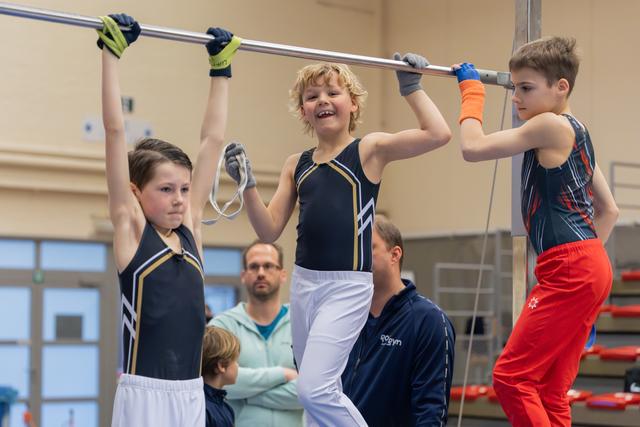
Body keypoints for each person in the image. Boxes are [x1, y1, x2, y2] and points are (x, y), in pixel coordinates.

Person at [223, 53, 451, 425]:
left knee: (314, 389)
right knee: (315, 396)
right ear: (303, 110)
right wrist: (247, 186)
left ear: (353, 103)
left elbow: (438, 134)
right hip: (304, 284)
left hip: (347, 286)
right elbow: (268, 229)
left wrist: (412, 87)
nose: (323, 100)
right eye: (312, 96)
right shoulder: (296, 164)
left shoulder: (368, 150)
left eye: (333, 92)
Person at [453, 37, 619, 427]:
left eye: (525, 88)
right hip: (588, 262)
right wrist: (587, 278)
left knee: (510, 377)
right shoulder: (579, 132)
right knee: (550, 390)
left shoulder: (548, 124)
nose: (516, 99)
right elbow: (609, 209)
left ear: (561, 87)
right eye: (513, 89)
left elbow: (472, 147)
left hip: (571, 267)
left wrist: (471, 91)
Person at [98, 14, 238, 426]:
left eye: (184, 189)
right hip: (145, 395)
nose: (180, 201)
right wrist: (111, 55)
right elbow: (113, 131)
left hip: (191, 391)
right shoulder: (132, 228)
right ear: (136, 192)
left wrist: (221, 71)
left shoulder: (191, 227)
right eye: (165, 190)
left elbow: (212, 140)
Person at [342, 215, 455, 427]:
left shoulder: (428, 321)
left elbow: (431, 412)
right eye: (353, 250)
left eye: (368, 248)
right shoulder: (345, 317)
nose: (357, 258)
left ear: (395, 254)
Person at [209, 241, 303, 426]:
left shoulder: (302, 324)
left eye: (268, 266)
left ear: (282, 274)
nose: (261, 273)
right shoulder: (222, 327)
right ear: (243, 275)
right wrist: (282, 374)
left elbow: (311, 391)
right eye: (253, 266)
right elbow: (217, 381)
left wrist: (246, 395)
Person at [201, 326, 240, 427]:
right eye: (235, 360)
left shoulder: (225, 407)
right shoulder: (202, 409)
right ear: (221, 366)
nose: (238, 365)